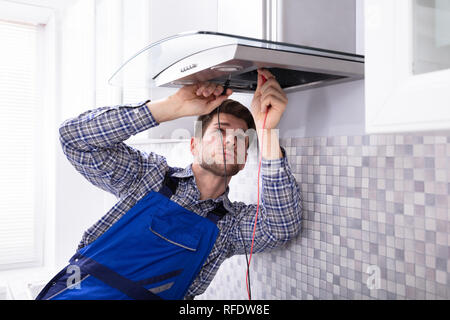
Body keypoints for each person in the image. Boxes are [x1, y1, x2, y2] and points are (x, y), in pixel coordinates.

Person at [38, 68, 302, 300]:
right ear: (194, 145)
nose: (231, 140)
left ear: (244, 161)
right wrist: (171, 107)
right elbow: (74, 139)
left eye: (241, 138)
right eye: (220, 131)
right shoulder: (147, 176)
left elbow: (281, 228)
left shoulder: (231, 226)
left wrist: (267, 133)